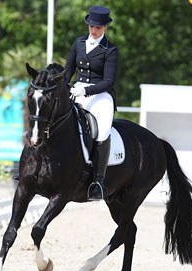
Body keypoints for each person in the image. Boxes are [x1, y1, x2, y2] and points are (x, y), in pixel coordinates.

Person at [65, 5, 118, 201]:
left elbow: (108, 81)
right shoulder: (79, 43)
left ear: (105, 28)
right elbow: (67, 70)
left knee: (102, 130)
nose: (94, 31)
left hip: (100, 95)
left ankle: (98, 181)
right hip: (76, 91)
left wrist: (86, 90)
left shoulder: (110, 50)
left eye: (98, 28)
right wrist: (63, 87)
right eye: (91, 27)